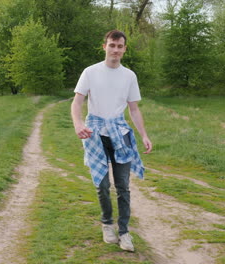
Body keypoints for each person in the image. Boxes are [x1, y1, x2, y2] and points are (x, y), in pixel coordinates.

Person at [70, 29, 152, 252]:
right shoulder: (90, 72)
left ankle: (124, 232)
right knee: (103, 184)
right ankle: (107, 224)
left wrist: (143, 134)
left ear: (124, 49)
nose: (115, 50)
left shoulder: (129, 76)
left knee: (123, 186)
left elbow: (134, 109)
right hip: (95, 133)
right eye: (112, 45)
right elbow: (77, 103)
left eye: (120, 46)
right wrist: (78, 124)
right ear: (104, 46)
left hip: (120, 133)